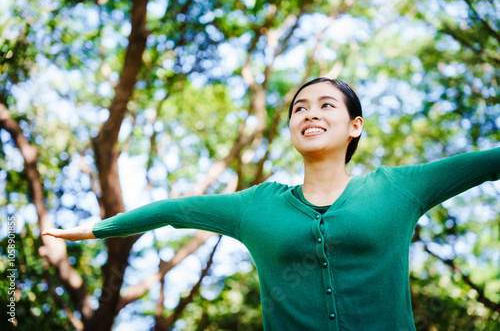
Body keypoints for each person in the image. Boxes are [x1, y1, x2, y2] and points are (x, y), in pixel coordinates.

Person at [43, 78, 500, 330]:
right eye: (300, 108)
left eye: (325, 105)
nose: (310, 114)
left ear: (355, 126)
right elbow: (173, 210)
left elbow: (487, 163)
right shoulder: (257, 207)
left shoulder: (396, 189)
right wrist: (94, 230)